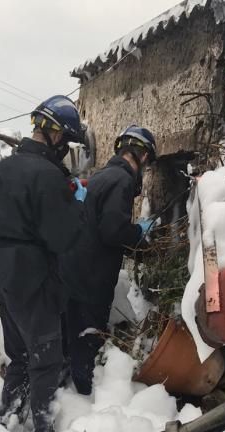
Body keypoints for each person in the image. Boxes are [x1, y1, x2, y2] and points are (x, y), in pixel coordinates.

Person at [0, 95, 86, 432]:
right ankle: (43, 431)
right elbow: (63, 238)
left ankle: (5, 421)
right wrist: (75, 206)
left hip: (1, 272)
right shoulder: (49, 175)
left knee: (19, 355)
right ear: (55, 136)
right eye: (66, 141)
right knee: (46, 357)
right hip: (33, 276)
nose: (66, 148)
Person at [61, 125, 158, 395]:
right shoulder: (123, 180)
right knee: (88, 336)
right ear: (143, 156)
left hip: (74, 270)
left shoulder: (102, 175)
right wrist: (140, 234)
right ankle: (83, 395)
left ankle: (63, 392)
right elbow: (113, 230)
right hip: (92, 276)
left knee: (71, 335)